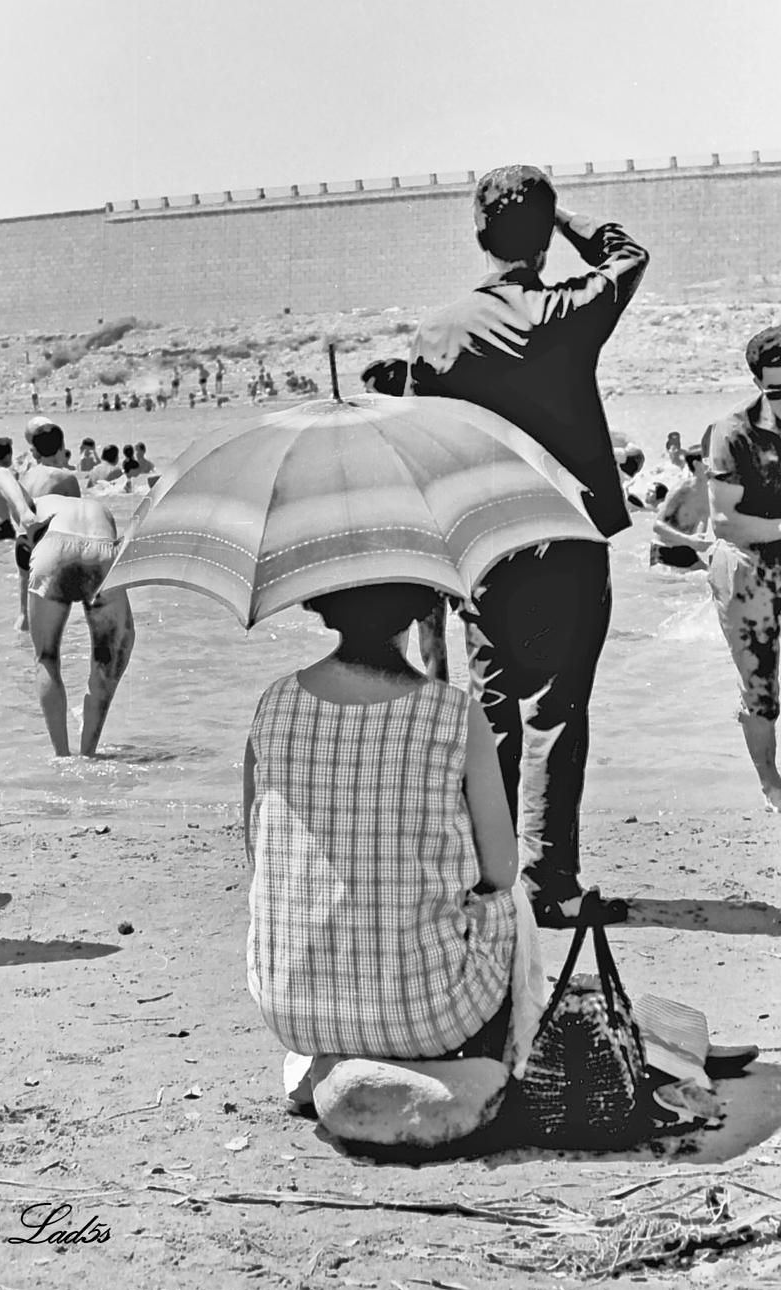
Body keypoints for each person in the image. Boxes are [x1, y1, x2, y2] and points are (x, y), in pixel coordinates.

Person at [407, 163, 649, 928]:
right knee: (556, 712)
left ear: (478, 234)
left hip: (481, 542)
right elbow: (628, 253)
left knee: (493, 710)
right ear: (542, 237)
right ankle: (552, 882)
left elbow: (421, 448)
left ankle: (490, 870)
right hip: (566, 538)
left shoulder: (437, 330)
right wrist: (564, 221)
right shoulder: (565, 311)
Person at [245, 583, 539, 1141]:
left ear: (320, 602)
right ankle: (489, 1060)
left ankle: (329, 1060)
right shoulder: (454, 713)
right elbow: (499, 870)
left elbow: (257, 853)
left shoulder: (274, 703)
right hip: (429, 1014)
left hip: (291, 1008)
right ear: (417, 610)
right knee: (512, 904)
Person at [707, 326, 781, 813]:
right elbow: (724, 521)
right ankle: (771, 784)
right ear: (758, 384)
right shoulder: (733, 432)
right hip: (749, 571)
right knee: (761, 692)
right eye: (777, 391)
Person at [19, 493, 135, 756]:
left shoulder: (37, 497)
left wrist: (24, 514)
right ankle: (88, 753)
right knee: (108, 658)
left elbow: (1, 475)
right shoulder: (99, 507)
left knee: (46, 658)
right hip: (104, 551)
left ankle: (61, 756)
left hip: (53, 549)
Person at [12, 420, 80, 631]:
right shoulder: (66, 478)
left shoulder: (26, 476)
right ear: (61, 448)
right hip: (48, 547)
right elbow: (77, 520)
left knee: (25, 615)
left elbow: (18, 513)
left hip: (23, 543)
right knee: (54, 618)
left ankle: (21, 653)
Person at [650, 446, 712, 570]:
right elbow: (657, 526)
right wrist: (690, 541)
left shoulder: (712, 492)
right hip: (664, 551)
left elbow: (700, 529)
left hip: (686, 550)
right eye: (710, 461)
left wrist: (700, 542)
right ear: (697, 465)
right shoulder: (682, 490)